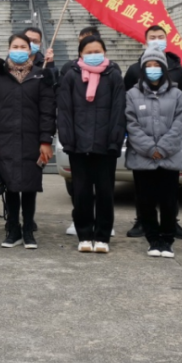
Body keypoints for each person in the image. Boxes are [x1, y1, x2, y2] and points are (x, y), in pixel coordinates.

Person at [0, 33, 57, 250]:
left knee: (30, 186)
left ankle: (28, 230)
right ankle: (13, 229)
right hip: (5, 140)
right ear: (8, 49)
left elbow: (47, 112)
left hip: (32, 141)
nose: (19, 49)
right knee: (11, 186)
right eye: (15, 45)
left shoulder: (40, 76)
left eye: (23, 46)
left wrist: (46, 140)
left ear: (30, 49)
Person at [123, 25, 182, 241]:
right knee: (144, 193)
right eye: (152, 37)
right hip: (142, 148)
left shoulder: (177, 72)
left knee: (169, 195)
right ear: (145, 40)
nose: (156, 40)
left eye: (160, 37)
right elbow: (129, 116)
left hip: (168, 148)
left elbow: (180, 114)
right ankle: (143, 223)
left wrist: (163, 147)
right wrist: (146, 146)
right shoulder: (134, 72)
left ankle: (171, 226)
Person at [57, 35, 126, 253]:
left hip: (106, 147)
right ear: (80, 54)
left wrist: (115, 141)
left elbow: (118, 111)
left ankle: (103, 236)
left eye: (98, 51)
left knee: (105, 193)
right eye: (89, 52)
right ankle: (84, 235)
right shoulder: (70, 76)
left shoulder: (114, 75)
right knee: (82, 193)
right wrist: (68, 140)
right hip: (78, 146)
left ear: (104, 53)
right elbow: (65, 111)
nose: (94, 55)